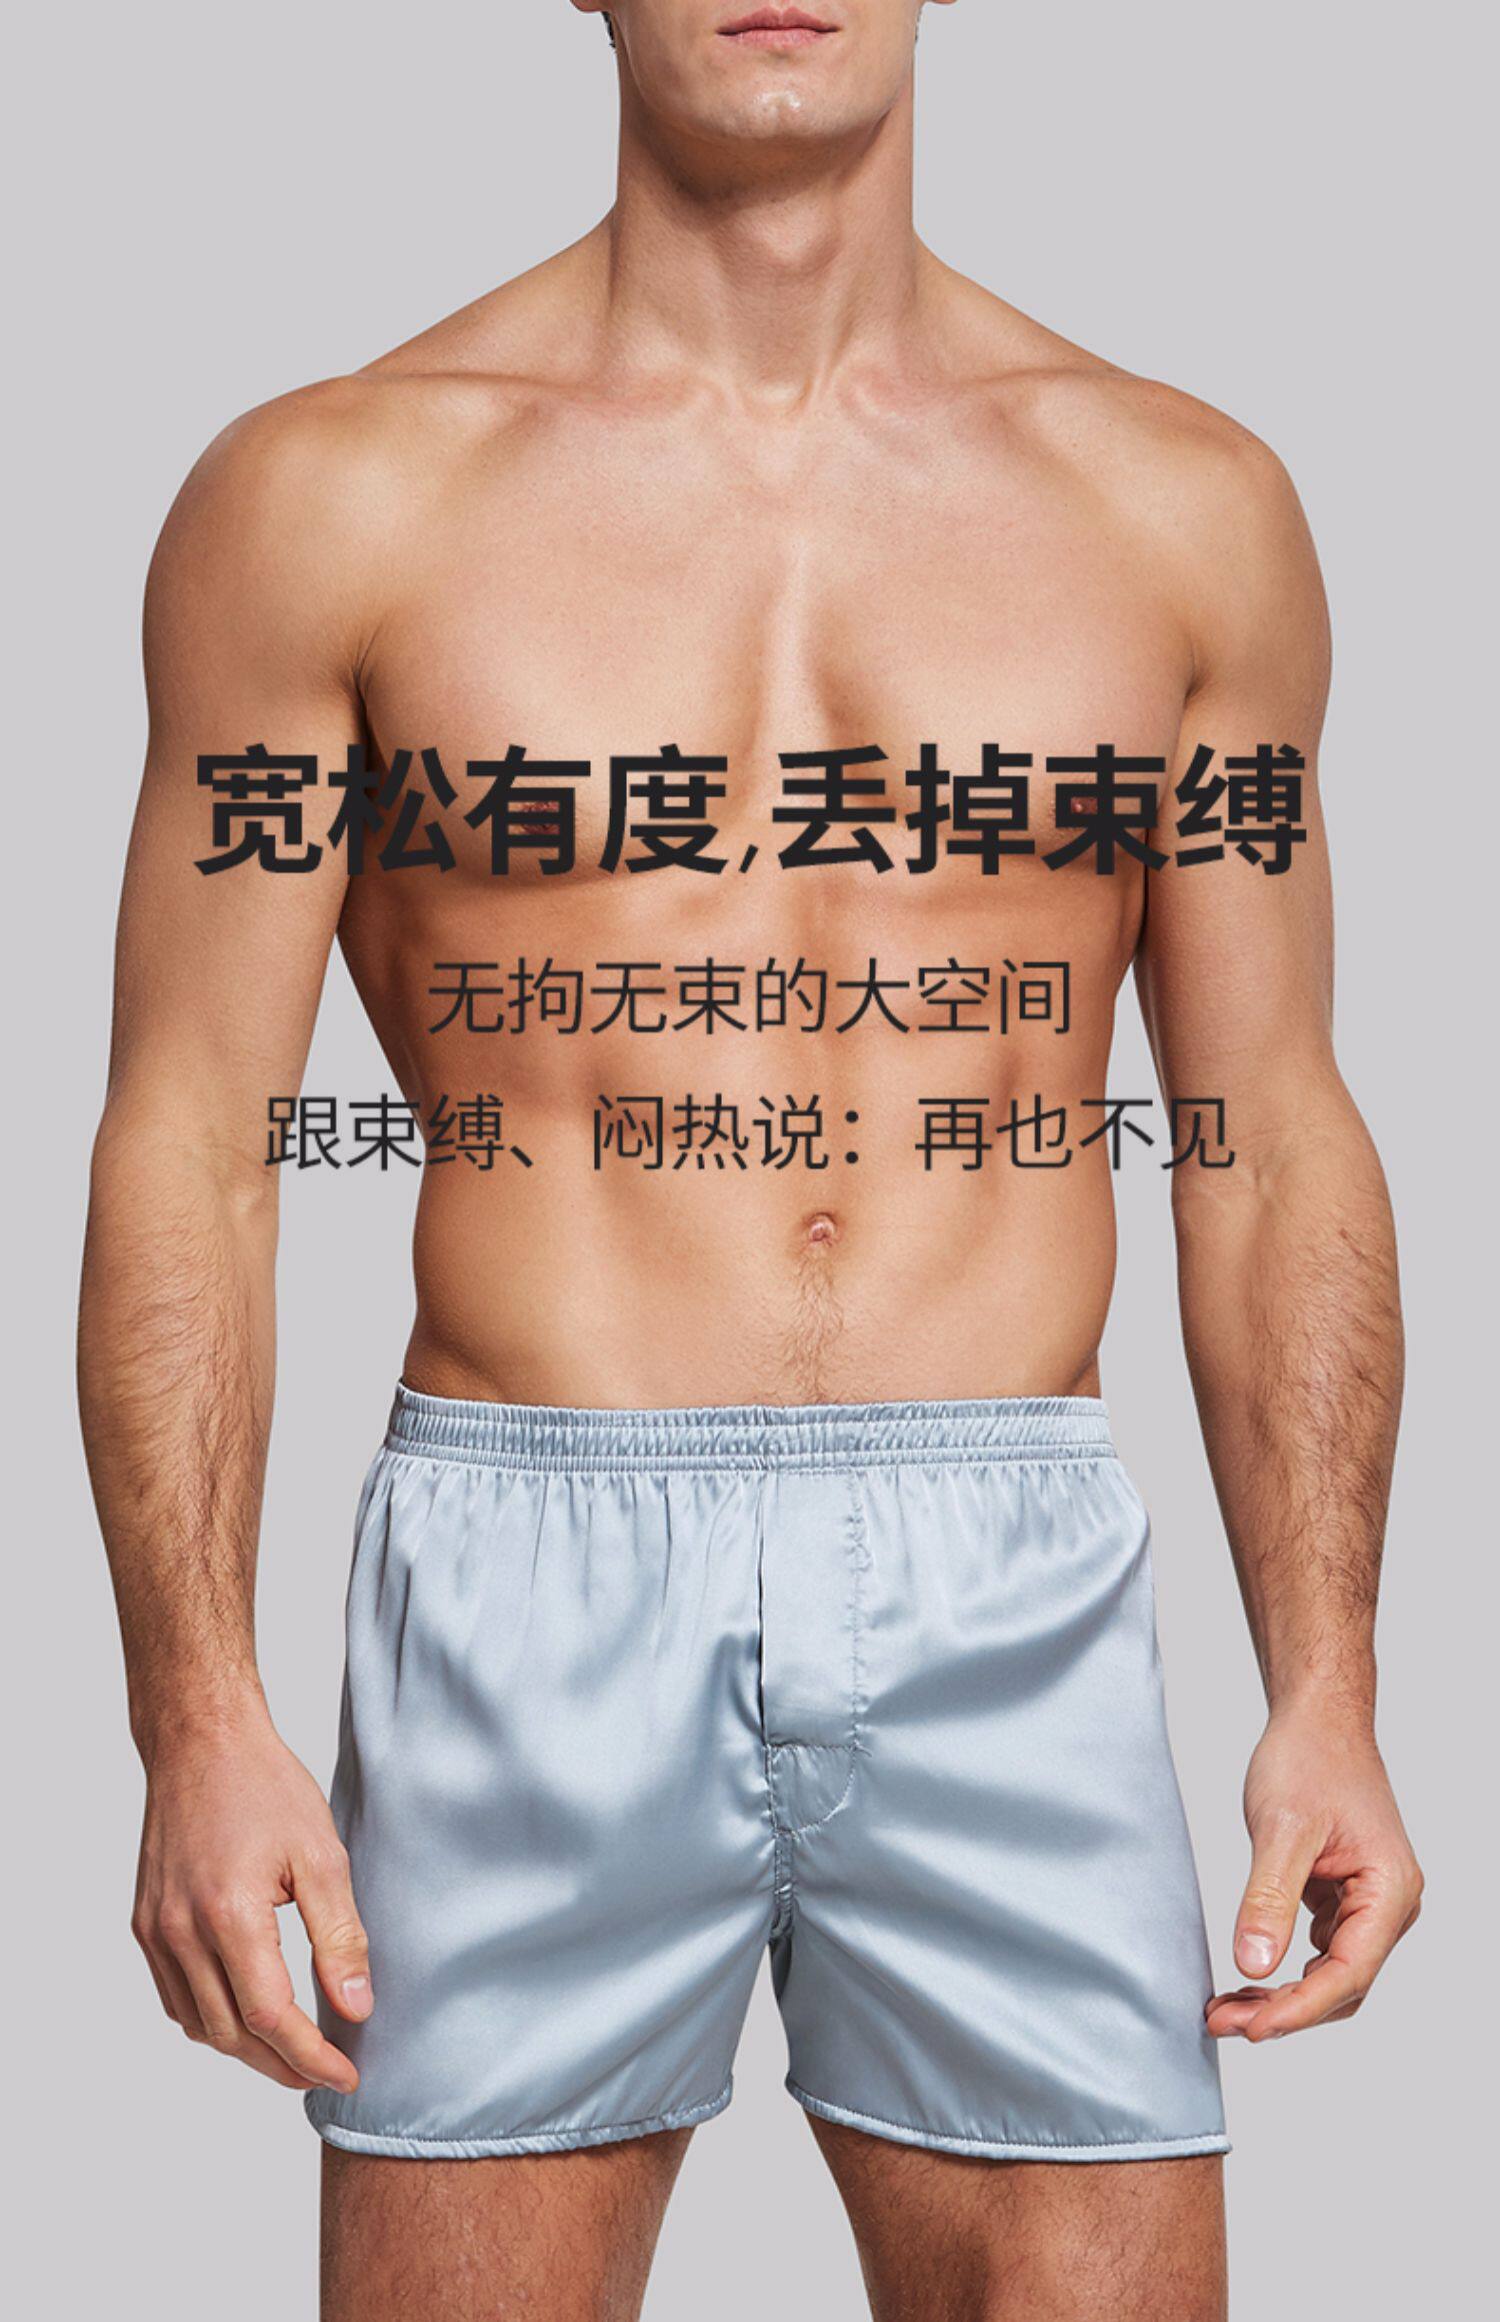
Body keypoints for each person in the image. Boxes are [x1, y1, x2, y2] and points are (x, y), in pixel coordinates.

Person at [79, 5, 1423, 2316]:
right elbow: (191, 1138)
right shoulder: (329, 498)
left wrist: (1330, 1684)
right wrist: (192, 1715)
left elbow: (1268, 1139)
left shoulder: (1183, 508)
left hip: (1006, 1570)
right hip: (527, 1569)